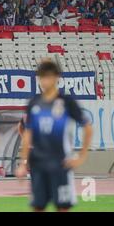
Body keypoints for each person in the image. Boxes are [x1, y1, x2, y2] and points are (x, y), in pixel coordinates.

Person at [15, 60, 93, 212]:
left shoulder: (66, 101)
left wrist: (82, 156)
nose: (46, 80)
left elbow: (88, 128)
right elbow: (28, 134)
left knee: (62, 208)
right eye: (42, 77)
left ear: (57, 77)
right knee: (38, 207)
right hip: (38, 164)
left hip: (61, 164)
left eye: (49, 76)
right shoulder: (34, 102)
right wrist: (23, 163)